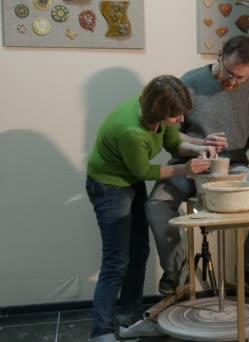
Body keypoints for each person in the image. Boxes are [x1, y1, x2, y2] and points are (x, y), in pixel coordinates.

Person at [146, 35, 249, 299]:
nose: (233, 83)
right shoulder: (189, 82)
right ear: (219, 55)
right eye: (230, 74)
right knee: (155, 204)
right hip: (188, 163)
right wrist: (199, 143)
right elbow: (170, 136)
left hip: (232, 167)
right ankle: (175, 267)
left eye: (241, 78)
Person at [86, 75, 216, 342]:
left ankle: (129, 321)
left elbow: (173, 143)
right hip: (108, 186)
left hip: (128, 182)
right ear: (159, 111)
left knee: (139, 252)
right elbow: (144, 170)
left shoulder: (157, 111)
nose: (181, 121)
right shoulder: (130, 130)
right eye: (176, 116)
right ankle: (101, 332)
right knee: (116, 262)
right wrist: (185, 169)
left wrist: (202, 145)